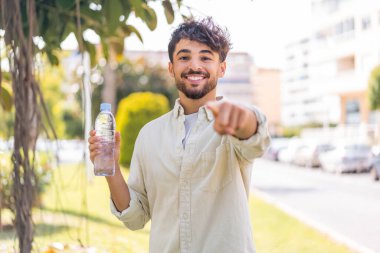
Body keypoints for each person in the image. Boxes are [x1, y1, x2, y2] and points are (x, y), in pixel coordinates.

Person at [88, 17, 270, 253]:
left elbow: (256, 138)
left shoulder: (231, 125)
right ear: (171, 68)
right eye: (184, 57)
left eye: (205, 57)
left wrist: (245, 119)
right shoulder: (149, 135)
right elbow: (135, 218)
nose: (195, 66)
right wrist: (110, 168)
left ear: (221, 68)